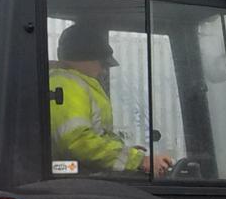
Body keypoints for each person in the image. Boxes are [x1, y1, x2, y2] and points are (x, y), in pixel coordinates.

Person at [49, 24, 172, 175]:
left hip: (79, 178)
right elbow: (78, 142)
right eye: (102, 63)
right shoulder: (67, 85)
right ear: (85, 57)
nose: (104, 70)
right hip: (75, 182)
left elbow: (96, 135)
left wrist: (127, 153)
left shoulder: (76, 83)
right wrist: (139, 160)